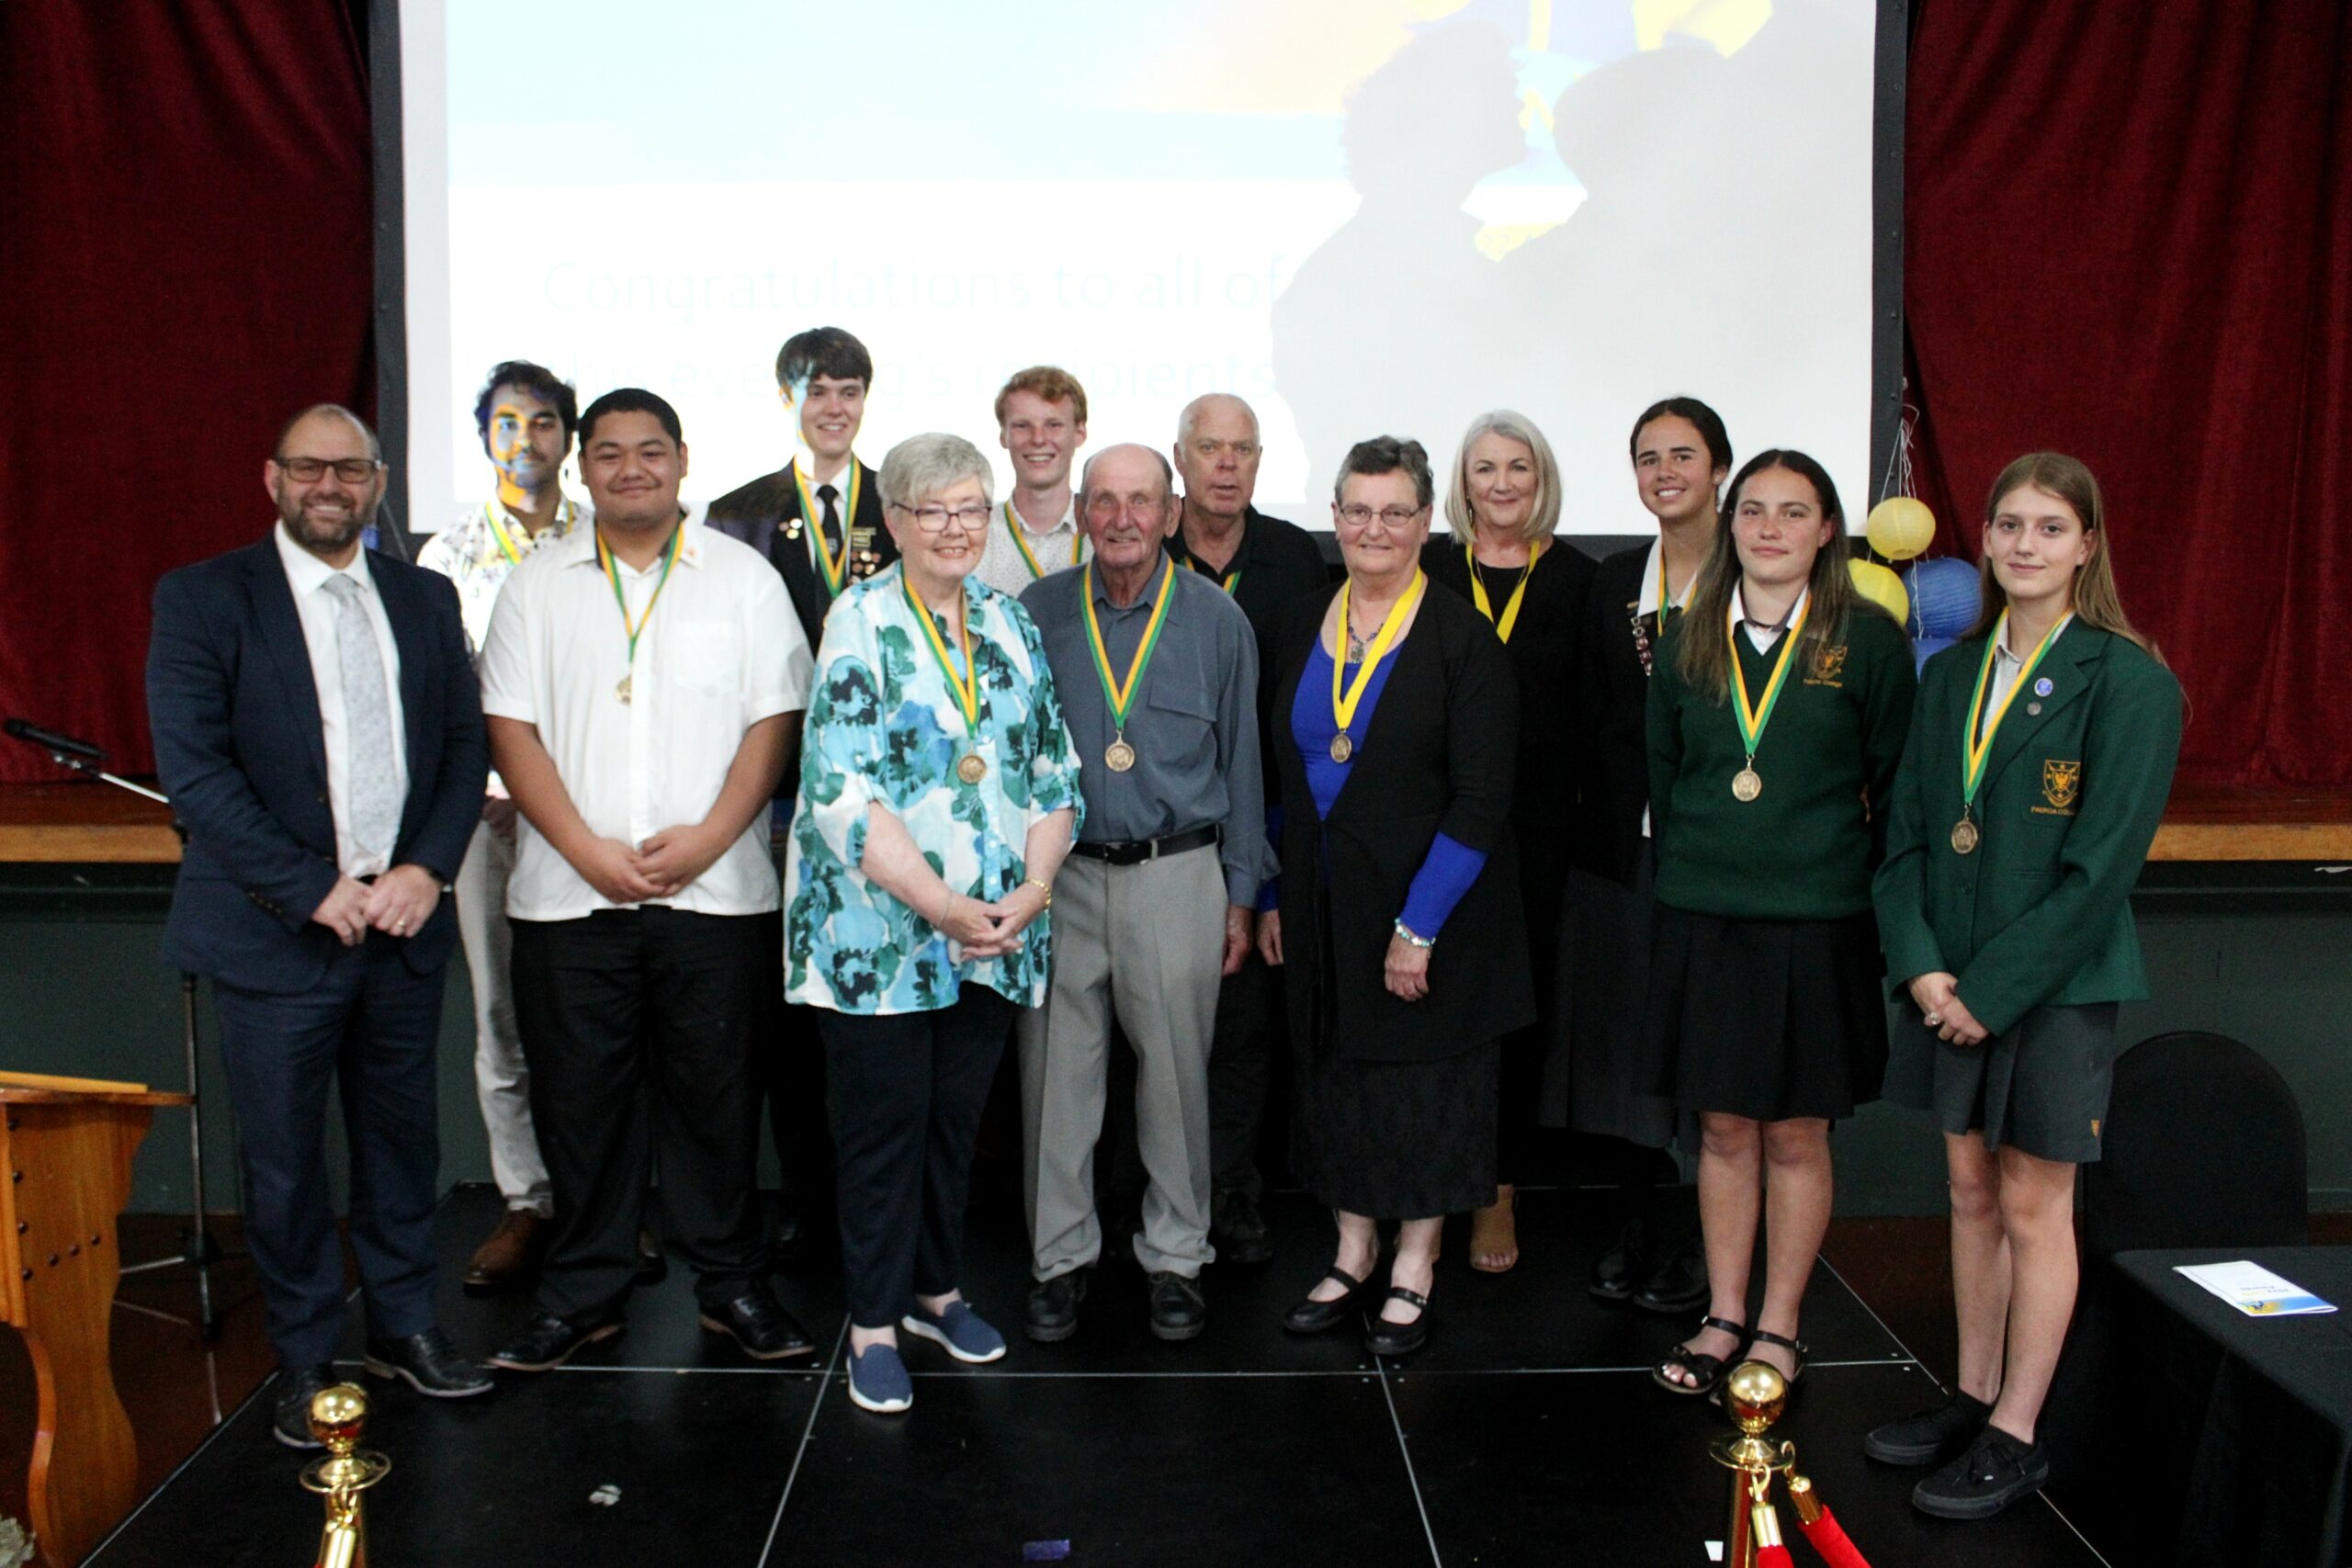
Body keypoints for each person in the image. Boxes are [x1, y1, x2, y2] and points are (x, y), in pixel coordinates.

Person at [147, 404, 492, 1449]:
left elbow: (461, 745)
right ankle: (304, 1358)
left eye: (349, 468)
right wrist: (311, 887)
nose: (329, 485)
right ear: (272, 480)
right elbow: (196, 774)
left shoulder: (424, 597)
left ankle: (404, 1328)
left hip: (401, 925)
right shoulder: (204, 598)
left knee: (402, 1148)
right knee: (288, 1162)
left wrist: (429, 868)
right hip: (276, 932)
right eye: (308, 468)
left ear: (379, 481)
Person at [1865, 453, 2181, 1519]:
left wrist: (1984, 994)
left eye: (2049, 528)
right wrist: (1919, 966)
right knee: (1965, 1192)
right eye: (2008, 526)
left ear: (2085, 546)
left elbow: (2100, 874)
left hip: (2046, 987)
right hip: (1944, 980)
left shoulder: (2127, 680)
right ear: (1987, 542)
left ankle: (2016, 1433)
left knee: (2034, 1205)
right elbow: (1905, 835)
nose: (2024, 546)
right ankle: (1975, 1391)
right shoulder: (1950, 673)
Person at [477, 389, 818, 1373]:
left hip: (717, 895)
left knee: (718, 1103)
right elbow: (510, 726)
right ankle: (584, 1294)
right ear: (583, 467)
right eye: (611, 453)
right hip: (566, 893)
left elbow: (774, 721)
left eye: (651, 451)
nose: (632, 469)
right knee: (580, 1106)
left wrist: (714, 835)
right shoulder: (537, 585)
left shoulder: (743, 578)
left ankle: (732, 1287)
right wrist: (585, 848)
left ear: (683, 460)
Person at [786, 433, 1082, 1414]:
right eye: (935, 511)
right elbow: (840, 794)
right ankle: (871, 1324)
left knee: (954, 1126)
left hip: (995, 933)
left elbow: (1055, 775)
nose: (957, 528)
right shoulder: (859, 621)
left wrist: (1030, 895)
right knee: (882, 1133)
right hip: (882, 940)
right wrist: (946, 908)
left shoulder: (1008, 621)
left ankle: (934, 1292)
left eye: (972, 508)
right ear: (899, 524)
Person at [1645, 450, 1915, 1401]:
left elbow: (1892, 779)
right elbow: (1665, 777)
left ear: (1826, 530)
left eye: (1791, 512)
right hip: (1705, 918)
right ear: (1730, 525)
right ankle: (1723, 1314)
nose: (1767, 528)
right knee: (1720, 1129)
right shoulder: (1684, 635)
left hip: (1818, 921)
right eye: (1752, 509)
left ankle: (1779, 1325)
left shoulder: (1869, 641)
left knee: (1797, 1134)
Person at [1259, 436, 1531, 1358]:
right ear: (1333, 520)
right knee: (1335, 1082)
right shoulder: (1300, 621)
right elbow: (1278, 777)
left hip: (1428, 911)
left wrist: (1417, 928)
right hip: (1321, 901)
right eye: (1356, 510)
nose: (1373, 528)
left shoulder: (1464, 641)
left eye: (1394, 512)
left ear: (1424, 523)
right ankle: (1350, 1250)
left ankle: (1414, 1262)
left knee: (1424, 1091)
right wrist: (1268, 896)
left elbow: (1482, 800)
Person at [1015, 444, 1267, 1344]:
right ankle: (1060, 1258)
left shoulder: (1214, 619)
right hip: (1062, 875)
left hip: (1177, 874)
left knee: (1174, 1082)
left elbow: (1243, 761)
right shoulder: (1036, 614)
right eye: (1105, 501)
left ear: (1170, 514)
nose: (1122, 518)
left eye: (1142, 502)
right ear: (1083, 511)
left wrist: (1242, 891)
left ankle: (1176, 1257)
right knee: (1055, 1083)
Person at [706, 325, 897, 1259]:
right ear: (788, 398)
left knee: (866, 1004)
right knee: (786, 1013)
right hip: (775, 800)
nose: (834, 407)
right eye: (818, 390)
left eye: (849, 390)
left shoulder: (896, 507)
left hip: (881, 799)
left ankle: (865, 1196)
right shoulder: (738, 512)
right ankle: (805, 1197)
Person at [1557, 398, 1732, 1313]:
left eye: (1683, 455)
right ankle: (1640, 1228)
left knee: (1704, 1064)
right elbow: (1590, 717)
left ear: (1719, 468)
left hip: (1721, 860)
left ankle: (1707, 1254)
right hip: (1624, 854)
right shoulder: (1615, 576)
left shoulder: (1757, 576)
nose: (1665, 472)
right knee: (1629, 1060)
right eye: (1646, 458)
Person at [416, 359, 586, 1294]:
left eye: (546, 422)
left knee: (597, 1011)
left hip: (595, 814)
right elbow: (443, 697)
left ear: (568, 436)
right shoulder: (447, 557)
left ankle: (605, 1203)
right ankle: (527, 1202)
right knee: (499, 1015)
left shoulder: (610, 537)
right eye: (509, 424)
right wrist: (491, 781)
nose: (528, 440)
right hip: (486, 815)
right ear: (486, 438)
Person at [1420, 410, 1595, 1273]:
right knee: (1440, 1005)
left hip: (1538, 835)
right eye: (1483, 468)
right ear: (1462, 482)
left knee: (1518, 1018)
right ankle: (1433, 1180)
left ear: (1541, 479)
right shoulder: (1426, 571)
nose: (1500, 484)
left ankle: (1499, 1189)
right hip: (1440, 827)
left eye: (1517, 468)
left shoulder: (1581, 582)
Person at [1164, 391, 1330, 1265]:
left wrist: (1266, 876)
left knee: (1241, 1028)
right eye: (1210, 448)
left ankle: (1232, 1189)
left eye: (1243, 449)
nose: (1226, 464)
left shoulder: (1298, 561)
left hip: (1258, 827)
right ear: (1180, 459)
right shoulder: (1138, 553)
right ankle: (1150, 1191)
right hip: (1158, 830)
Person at [974, 366, 1090, 598]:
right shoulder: (975, 534)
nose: (1038, 439)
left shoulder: (1105, 534)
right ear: (1003, 436)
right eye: (1022, 426)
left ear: (1079, 433)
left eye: (1053, 425)